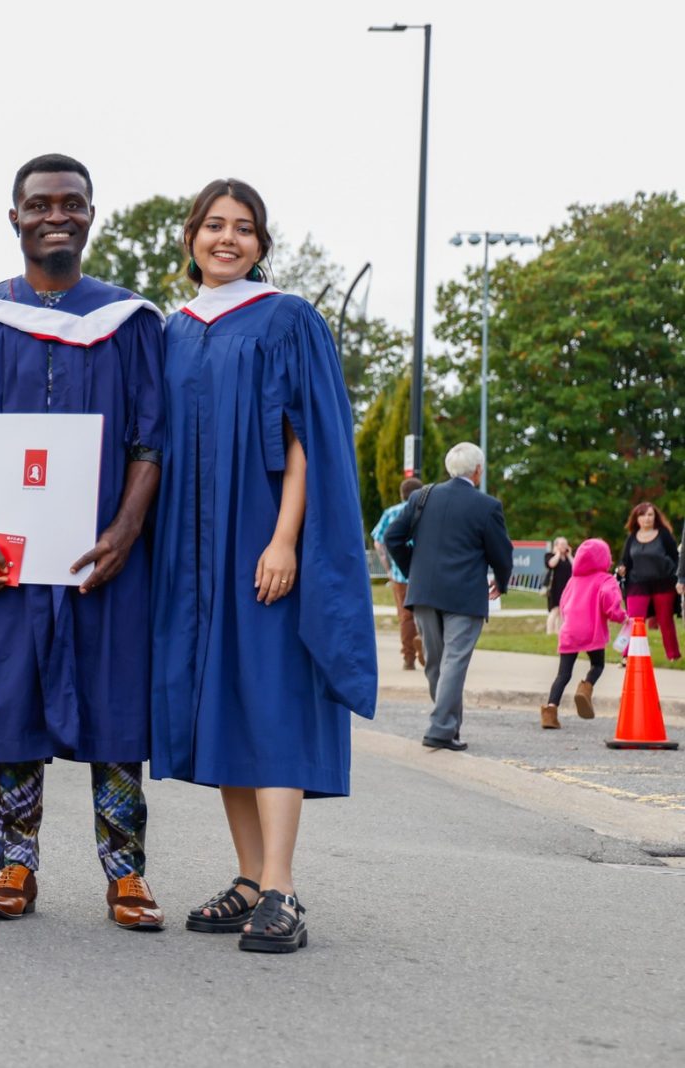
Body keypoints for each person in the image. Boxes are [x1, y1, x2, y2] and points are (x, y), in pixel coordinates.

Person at [0, 153, 166, 928]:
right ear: (13, 216)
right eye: (40, 203)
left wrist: (124, 531)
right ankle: (15, 867)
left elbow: (149, 443)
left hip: (100, 555)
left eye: (72, 203)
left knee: (115, 704)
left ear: (91, 214)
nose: (58, 214)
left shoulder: (129, 323)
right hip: (5, 553)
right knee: (8, 697)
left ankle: (127, 873)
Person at [148, 179, 378, 955]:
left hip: (260, 544)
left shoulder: (287, 319)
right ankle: (249, 879)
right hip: (193, 553)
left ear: (260, 244)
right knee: (226, 709)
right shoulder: (172, 331)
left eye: (243, 229)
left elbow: (309, 439)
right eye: (214, 226)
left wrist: (284, 540)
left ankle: (281, 887)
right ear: (190, 239)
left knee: (273, 704)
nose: (227, 239)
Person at [383, 441, 513, 752]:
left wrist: (413, 571)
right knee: (454, 662)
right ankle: (441, 728)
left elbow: (393, 537)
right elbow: (501, 552)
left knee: (436, 663)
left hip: (424, 592)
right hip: (465, 595)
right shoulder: (487, 506)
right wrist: (502, 581)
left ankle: (449, 727)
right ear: (478, 470)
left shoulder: (422, 496)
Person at [545, 537, 623, 728]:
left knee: (563, 675)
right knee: (597, 665)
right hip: (591, 631)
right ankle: (585, 689)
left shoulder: (573, 580)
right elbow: (609, 603)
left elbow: (563, 604)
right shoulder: (605, 580)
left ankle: (550, 711)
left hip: (569, 631)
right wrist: (622, 617)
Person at [616, 503, 680, 661]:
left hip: (663, 583)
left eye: (650, 515)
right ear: (636, 519)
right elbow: (624, 561)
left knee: (665, 621)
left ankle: (673, 655)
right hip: (637, 584)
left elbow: (676, 558)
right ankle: (627, 656)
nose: (647, 518)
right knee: (634, 620)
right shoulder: (632, 537)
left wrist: (679, 579)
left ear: (655, 517)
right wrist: (621, 568)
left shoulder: (664, 535)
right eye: (643, 515)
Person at [371, 477, 424, 670]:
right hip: (425, 573)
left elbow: (379, 542)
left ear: (402, 494)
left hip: (400, 574)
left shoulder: (391, 512)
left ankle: (408, 657)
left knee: (405, 616)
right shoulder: (426, 512)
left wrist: (388, 568)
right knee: (427, 612)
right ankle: (424, 641)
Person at [544, 536, 573, 636]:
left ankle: (558, 632)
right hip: (554, 587)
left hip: (566, 587)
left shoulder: (568, 558)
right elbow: (551, 564)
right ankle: (549, 631)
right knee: (555, 610)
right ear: (556, 545)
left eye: (565, 544)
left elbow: (575, 566)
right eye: (562, 544)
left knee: (562, 611)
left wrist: (569, 555)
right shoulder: (550, 555)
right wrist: (557, 553)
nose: (564, 546)